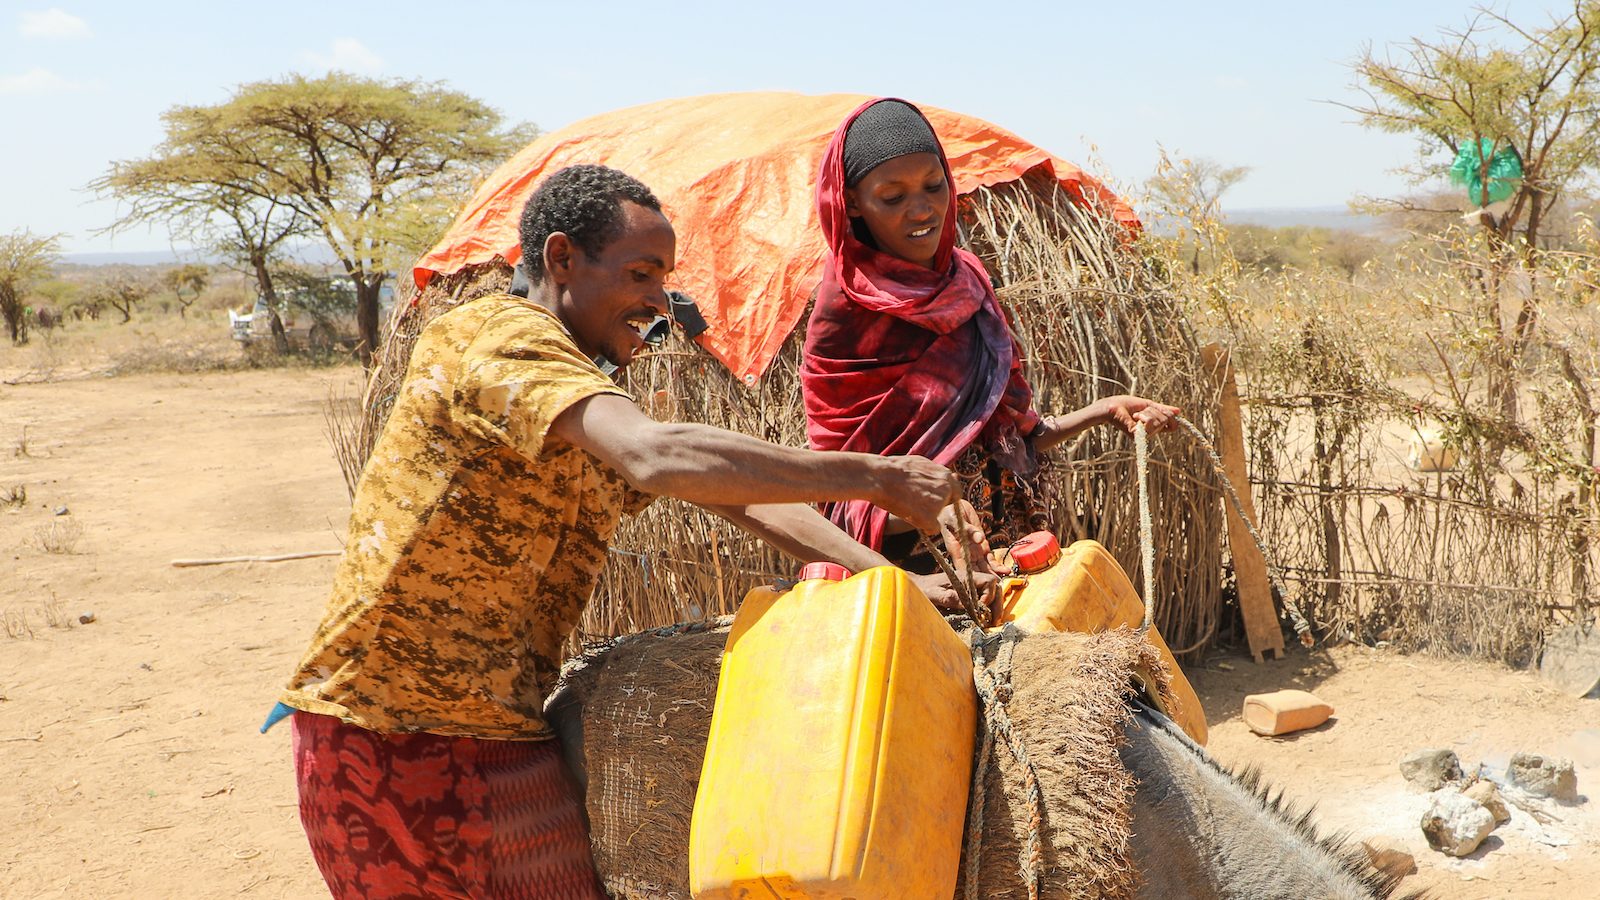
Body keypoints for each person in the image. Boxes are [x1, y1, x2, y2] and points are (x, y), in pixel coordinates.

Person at [272, 164, 963, 900]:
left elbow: (746, 501)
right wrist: (874, 477)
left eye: (663, 277)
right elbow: (656, 454)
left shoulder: (583, 394)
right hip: (386, 735)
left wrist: (890, 580)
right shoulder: (495, 337)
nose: (656, 300)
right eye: (639, 273)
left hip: (507, 739)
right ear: (562, 258)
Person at [801, 98, 1181, 588]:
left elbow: (1012, 438)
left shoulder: (968, 283)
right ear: (851, 202)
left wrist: (1103, 411)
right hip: (916, 577)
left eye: (934, 185)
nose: (922, 209)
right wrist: (933, 509)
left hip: (1015, 551)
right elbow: (840, 496)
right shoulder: (846, 315)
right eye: (892, 197)